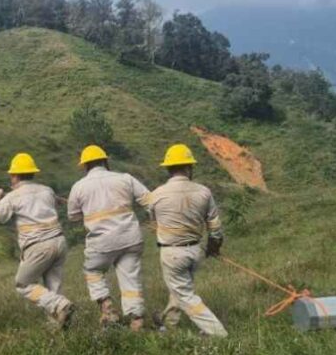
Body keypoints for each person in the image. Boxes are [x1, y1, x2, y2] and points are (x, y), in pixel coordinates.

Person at [139, 144, 228, 337]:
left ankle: (217, 333)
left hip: (171, 253)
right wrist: (214, 248)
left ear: (168, 168)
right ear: (189, 167)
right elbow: (215, 227)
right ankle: (170, 323)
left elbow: (153, 221)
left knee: (185, 295)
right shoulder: (204, 192)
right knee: (180, 288)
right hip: (195, 251)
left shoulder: (156, 195)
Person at [0, 153, 74, 329]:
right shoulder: (47, 190)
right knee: (52, 287)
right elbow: (53, 203)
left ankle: (60, 306)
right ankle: (59, 326)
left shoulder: (13, 196)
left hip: (38, 246)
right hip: (59, 242)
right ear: (32, 173)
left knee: (23, 283)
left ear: (15, 175)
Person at [66, 145, 151, 332]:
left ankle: (107, 309)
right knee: (130, 279)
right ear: (105, 161)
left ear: (85, 166)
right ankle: (136, 321)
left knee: (93, 270)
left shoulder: (78, 187)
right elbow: (149, 201)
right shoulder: (125, 178)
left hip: (101, 242)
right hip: (131, 238)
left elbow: (72, 217)